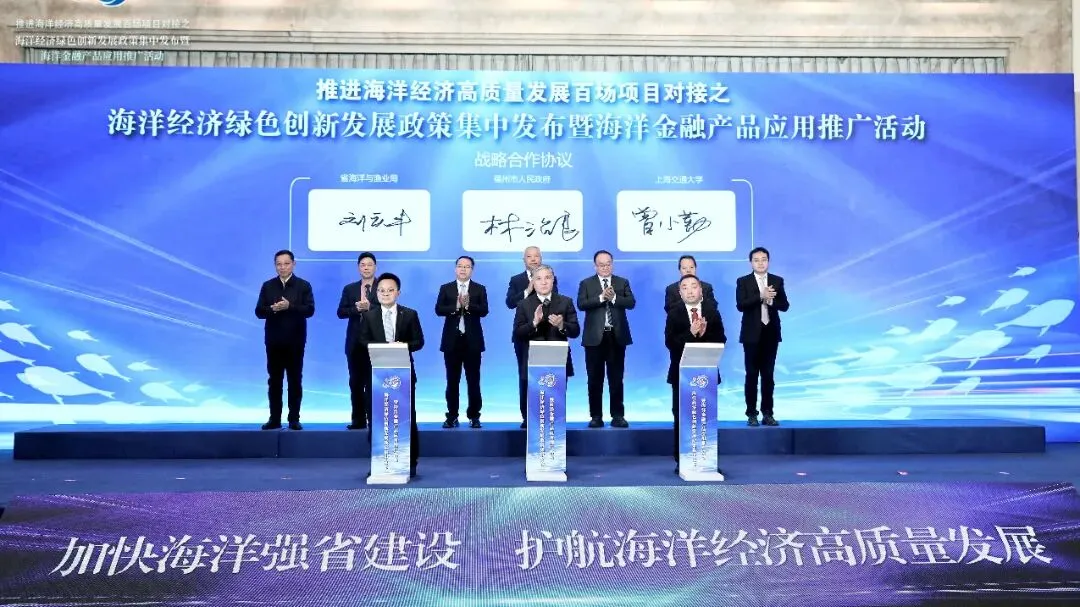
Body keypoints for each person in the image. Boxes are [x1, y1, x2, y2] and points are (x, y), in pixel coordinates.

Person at [358, 272, 424, 477]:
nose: (385, 294)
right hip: (377, 375)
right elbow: (362, 341)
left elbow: (419, 341)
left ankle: (409, 462)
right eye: (381, 290)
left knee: (406, 418)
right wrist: (383, 347)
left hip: (403, 373)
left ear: (398, 293)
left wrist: (402, 346)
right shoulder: (369, 316)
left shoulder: (409, 314)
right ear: (376, 293)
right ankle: (379, 462)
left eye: (390, 290)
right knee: (377, 419)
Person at [665, 274, 726, 474]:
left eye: (693, 286)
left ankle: (707, 458)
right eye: (685, 287)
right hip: (681, 374)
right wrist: (690, 333)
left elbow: (722, 339)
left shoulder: (712, 312)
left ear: (701, 290)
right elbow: (670, 343)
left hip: (707, 373)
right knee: (681, 415)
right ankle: (681, 460)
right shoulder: (674, 314)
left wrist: (704, 334)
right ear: (680, 292)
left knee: (706, 416)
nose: (690, 290)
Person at [254, 249, 314, 431]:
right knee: (274, 380)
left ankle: (294, 419)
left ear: (293, 264)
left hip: (296, 341)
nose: (282, 267)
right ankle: (274, 419)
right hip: (274, 341)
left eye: (286, 263)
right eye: (279, 264)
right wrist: (272, 309)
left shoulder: (303, 285)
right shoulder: (268, 286)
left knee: (295, 380)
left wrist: (290, 306)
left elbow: (310, 310)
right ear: (275, 266)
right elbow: (259, 311)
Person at [512, 265, 579, 427]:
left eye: (547, 278)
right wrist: (534, 322)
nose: (543, 282)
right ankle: (529, 422)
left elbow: (575, 330)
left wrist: (562, 325)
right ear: (533, 282)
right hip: (532, 361)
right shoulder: (524, 304)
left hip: (557, 361)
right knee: (532, 413)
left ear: (553, 280)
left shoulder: (565, 302)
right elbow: (518, 333)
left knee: (555, 409)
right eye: (539, 278)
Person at [576, 250, 635, 428]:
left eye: (608, 263)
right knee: (594, 379)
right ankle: (596, 416)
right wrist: (602, 297)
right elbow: (581, 304)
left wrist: (614, 297)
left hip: (616, 337)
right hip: (594, 338)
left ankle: (618, 415)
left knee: (616, 379)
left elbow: (631, 303)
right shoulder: (586, 283)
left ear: (612, 264)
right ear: (595, 266)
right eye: (601, 264)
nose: (605, 267)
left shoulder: (622, 282)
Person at [735, 246, 790, 427]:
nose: (760, 263)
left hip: (771, 334)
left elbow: (785, 305)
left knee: (768, 376)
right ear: (751, 262)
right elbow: (741, 305)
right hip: (751, 335)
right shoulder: (743, 281)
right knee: (751, 375)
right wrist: (760, 295)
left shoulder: (777, 280)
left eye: (763, 259)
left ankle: (768, 413)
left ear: (768, 261)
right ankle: (751, 414)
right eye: (756, 260)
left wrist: (771, 300)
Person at [505, 246, 559, 426]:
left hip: (548, 334)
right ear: (524, 260)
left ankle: (548, 415)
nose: (534, 259)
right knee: (525, 377)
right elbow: (510, 303)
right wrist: (527, 290)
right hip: (524, 335)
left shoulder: (549, 276)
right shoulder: (517, 280)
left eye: (537, 256)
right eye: (530, 256)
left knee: (548, 377)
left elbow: (556, 300)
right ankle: (527, 417)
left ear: (541, 258)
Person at [435, 255, 489, 428]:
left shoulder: (479, 288)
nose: (463, 269)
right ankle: (452, 415)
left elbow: (484, 310)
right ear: (455, 268)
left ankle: (474, 416)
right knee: (452, 381)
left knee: (473, 381)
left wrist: (468, 306)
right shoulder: (446, 288)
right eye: (460, 266)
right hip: (452, 342)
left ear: (472, 270)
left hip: (472, 342)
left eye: (467, 266)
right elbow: (438, 309)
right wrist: (457, 307)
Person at [335, 252, 378, 430]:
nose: (366, 268)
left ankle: (375, 420)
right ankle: (358, 420)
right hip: (355, 343)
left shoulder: (383, 287)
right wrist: (356, 308)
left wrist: (370, 307)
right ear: (358, 268)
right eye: (362, 265)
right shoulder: (350, 289)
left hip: (376, 342)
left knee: (374, 383)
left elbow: (390, 308)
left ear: (375, 267)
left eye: (369, 264)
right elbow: (340, 312)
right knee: (355, 383)